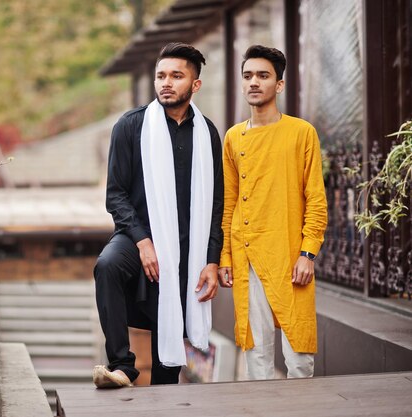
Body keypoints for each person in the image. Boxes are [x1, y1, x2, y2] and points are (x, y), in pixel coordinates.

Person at [92, 42, 224, 388]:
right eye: (160, 76)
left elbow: (215, 205)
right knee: (107, 266)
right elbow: (116, 194)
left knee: (169, 354)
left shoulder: (207, 134)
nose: (166, 83)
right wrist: (142, 240)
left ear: (195, 84)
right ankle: (122, 365)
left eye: (176, 76)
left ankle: (166, 399)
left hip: (187, 245)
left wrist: (211, 259)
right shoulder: (132, 126)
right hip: (138, 234)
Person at [218, 45, 328, 379]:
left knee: (299, 358)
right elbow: (228, 203)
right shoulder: (234, 137)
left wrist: (308, 253)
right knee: (257, 357)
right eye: (248, 75)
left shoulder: (301, 132)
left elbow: (317, 201)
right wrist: (225, 258)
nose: (254, 82)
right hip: (247, 255)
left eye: (263, 76)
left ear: (278, 85)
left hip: (290, 256)